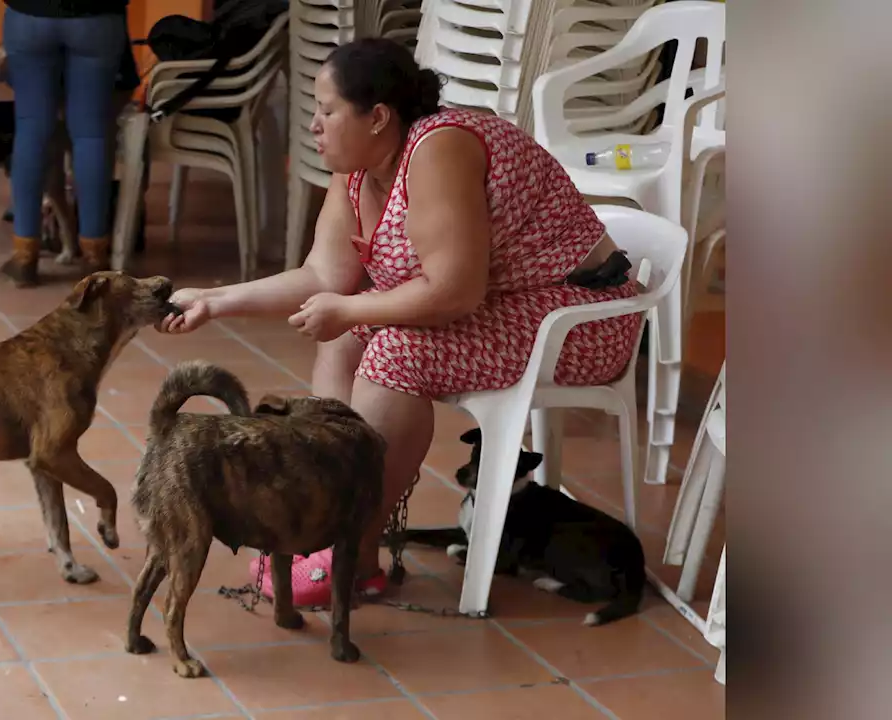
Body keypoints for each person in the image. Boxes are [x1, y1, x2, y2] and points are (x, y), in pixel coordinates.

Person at [159, 38, 643, 606]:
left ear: (378, 117)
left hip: (578, 316)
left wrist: (351, 309)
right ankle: (332, 513)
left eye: (327, 110)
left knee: (395, 352)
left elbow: (453, 291)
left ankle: (352, 549)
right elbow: (324, 276)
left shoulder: (440, 150)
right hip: (505, 308)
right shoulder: (358, 167)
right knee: (344, 342)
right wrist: (215, 301)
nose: (313, 124)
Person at [0, 0, 129, 287]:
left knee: (31, 129)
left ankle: (24, 255)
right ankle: (94, 254)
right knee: (92, 134)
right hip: (96, 19)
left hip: (29, 15)